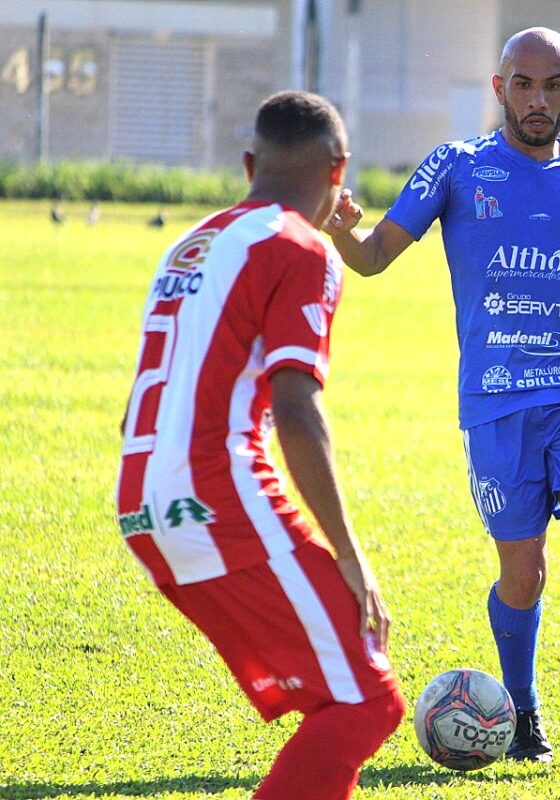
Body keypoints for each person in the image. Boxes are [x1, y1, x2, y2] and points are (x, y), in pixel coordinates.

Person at [324, 27, 560, 779]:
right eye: (523, 85)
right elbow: (372, 257)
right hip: (495, 404)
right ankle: (523, 709)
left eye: (551, 85)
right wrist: (342, 231)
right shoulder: (457, 166)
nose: (537, 99)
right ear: (498, 89)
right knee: (522, 572)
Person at [115, 91, 404, 800]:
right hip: (218, 494)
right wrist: (349, 552)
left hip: (142, 505)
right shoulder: (301, 247)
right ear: (341, 171)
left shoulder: (192, 240)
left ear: (249, 163)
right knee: (369, 701)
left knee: (333, 694)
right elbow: (297, 410)